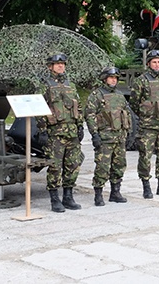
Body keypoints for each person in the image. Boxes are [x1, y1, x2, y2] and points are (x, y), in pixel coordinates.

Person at [38, 54, 83, 213]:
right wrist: (42, 130)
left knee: (73, 164)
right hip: (55, 133)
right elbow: (39, 108)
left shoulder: (70, 85)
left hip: (71, 132)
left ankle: (68, 196)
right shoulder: (44, 85)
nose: (60, 67)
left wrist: (80, 126)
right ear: (50, 66)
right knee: (55, 166)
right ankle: (54, 199)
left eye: (62, 64)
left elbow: (78, 106)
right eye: (57, 64)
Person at [130, 49, 159, 199]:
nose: (157, 64)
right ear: (148, 63)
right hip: (148, 126)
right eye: (154, 62)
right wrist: (146, 115)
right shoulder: (141, 81)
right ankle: (146, 186)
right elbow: (134, 103)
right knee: (145, 156)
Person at [85, 66, 131, 206]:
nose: (113, 80)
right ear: (105, 79)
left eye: (115, 78)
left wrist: (128, 133)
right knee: (102, 167)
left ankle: (115, 192)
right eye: (111, 77)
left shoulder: (119, 95)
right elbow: (90, 115)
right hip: (105, 138)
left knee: (119, 165)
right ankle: (98, 194)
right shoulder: (96, 95)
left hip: (119, 137)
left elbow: (126, 114)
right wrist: (94, 135)